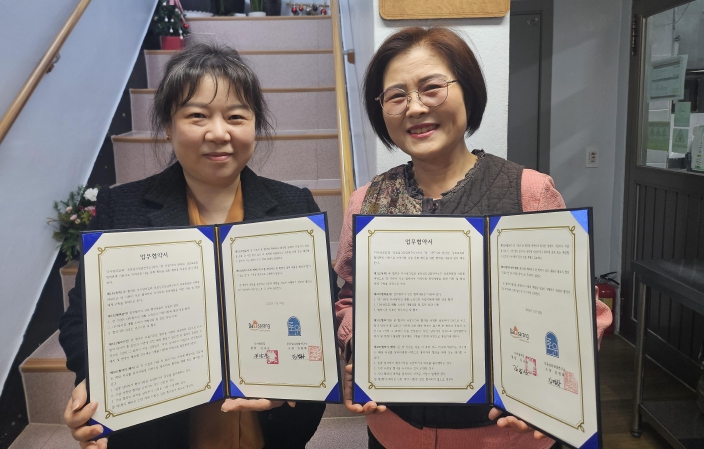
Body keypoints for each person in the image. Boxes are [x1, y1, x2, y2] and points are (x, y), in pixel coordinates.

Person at [334, 27, 613, 449]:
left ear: (468, 90)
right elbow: (350, 297)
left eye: (432, 88)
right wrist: (358, 346)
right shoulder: (366, 201)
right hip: (395, 431)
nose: (415, 107)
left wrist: (552, 394)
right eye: (396, 96)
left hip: (504, 437)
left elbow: (577, 312)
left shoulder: (529, 193)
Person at [58, 43, 326, 449]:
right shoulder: (121, 208)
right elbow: (81, 320)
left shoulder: (295, 207)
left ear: (255, 125)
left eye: (236, 116)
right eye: (197, 115)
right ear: (169, 125)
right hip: (158, 432)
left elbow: (318, 316)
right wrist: (94, 383)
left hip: (270, 431)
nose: (218, 133)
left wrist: (293, 382)